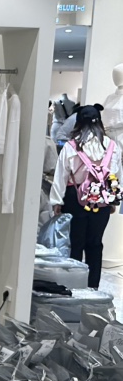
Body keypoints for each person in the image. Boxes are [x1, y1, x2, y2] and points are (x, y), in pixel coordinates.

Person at [51, 104, 123, 289]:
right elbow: (116, 174)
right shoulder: (111, 146)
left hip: (75, 197)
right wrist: (113, 200)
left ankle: (73, 287)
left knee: (75, 244)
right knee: (95, 244)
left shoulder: (71, 146)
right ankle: (93, 288)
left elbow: (61, 175)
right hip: (101, 199)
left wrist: (57, 201)